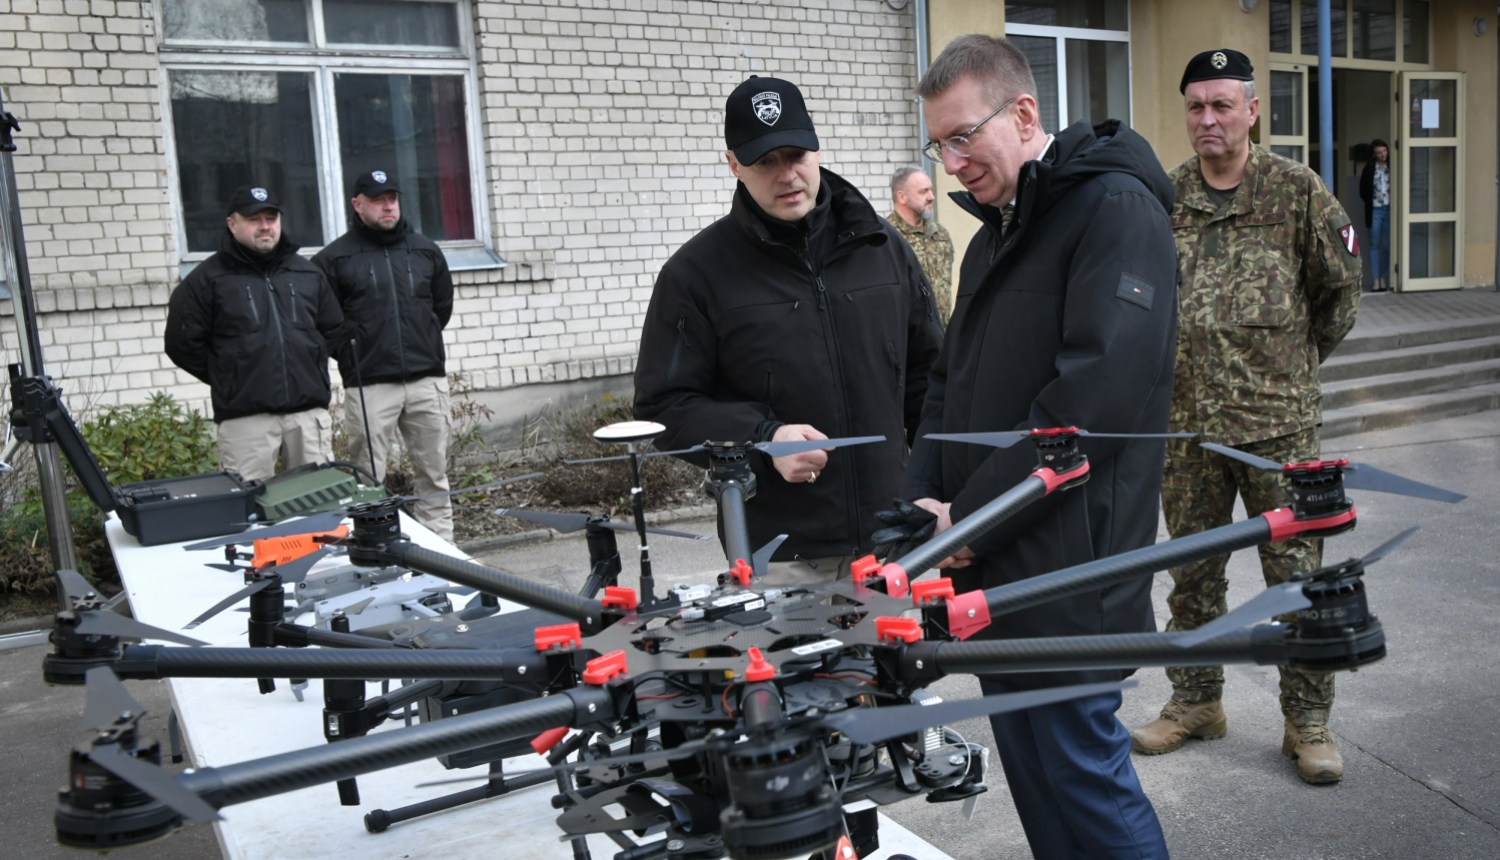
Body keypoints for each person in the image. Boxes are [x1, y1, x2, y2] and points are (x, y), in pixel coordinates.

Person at [901, 34, 1177, 859]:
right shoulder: (994, 237)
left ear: (1023, 114)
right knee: (1041, 793)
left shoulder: (1114, 211)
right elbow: (949, 386)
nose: (950, 163)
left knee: (1086, 786)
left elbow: (1088, 402)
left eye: (962, 136)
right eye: (937, 144)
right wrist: (921, 504)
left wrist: (968, 519)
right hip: (996, 572)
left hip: (1072, 569)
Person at [1129, 49, 1362, 786]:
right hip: (1189, 431)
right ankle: (1197, 702)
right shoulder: (1164, 196)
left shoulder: (1296, 191)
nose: (1208, 119)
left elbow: (1340, 291)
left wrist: (1289, 371)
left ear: (1252, 110)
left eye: (1222, 105)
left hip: (1279, 433)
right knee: (1191, 578)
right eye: (1196, 106)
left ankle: (1308, 722)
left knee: (1297, 581)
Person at [633, 75, 943, 583]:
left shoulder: (883, 250)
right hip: (779, 557)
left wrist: (935, 488)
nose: (787, 175)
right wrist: (764, 440)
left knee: (891, 667)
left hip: (895, 543)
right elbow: (663, 408)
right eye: (764, 162)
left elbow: (933, 382)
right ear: (733, 164)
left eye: (796, 154)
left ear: (817, 149)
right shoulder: (695, 275)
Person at [165, 185, 346, 483]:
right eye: (254, 219)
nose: (265, 226)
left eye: (271, 218)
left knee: (317, 508)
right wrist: (230, 373)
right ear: (232, 224)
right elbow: (181, 343)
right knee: (249, 514)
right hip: (245, 422)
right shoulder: (207, 280)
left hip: (307, 416)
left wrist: (305, 362)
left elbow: (332, 329)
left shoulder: (307, 273)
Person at [313, 171, 456, 541]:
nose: (388, 204)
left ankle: (443, 550)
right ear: (357, 205)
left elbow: (440, 309)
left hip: (426, 381)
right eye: (377, 199)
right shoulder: (334, 259)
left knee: (434, 474)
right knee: (367, 478)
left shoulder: (425, 250)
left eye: (392, 197)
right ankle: (376, 552)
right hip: (370, 385)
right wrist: (352, 352)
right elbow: (324, 322)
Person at [887, 165, 956, 327]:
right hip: (908, 342)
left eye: (930, 190)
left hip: (943, 336)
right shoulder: (886, 239)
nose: (932, 197)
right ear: (902, 197)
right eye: (923, 191)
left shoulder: (940, 234)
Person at [1359, 139, 1391, 292]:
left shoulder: (1393, 167)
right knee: (1374, 244)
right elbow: (1363, 191)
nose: (1383, 155)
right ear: (1374, 155)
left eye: (1384, 151)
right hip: (1375, 211)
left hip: (1390, 209)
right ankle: (1376, 280)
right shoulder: (1369, 169)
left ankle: (1384, 278)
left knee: (1386, 245)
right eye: (1379, 153)